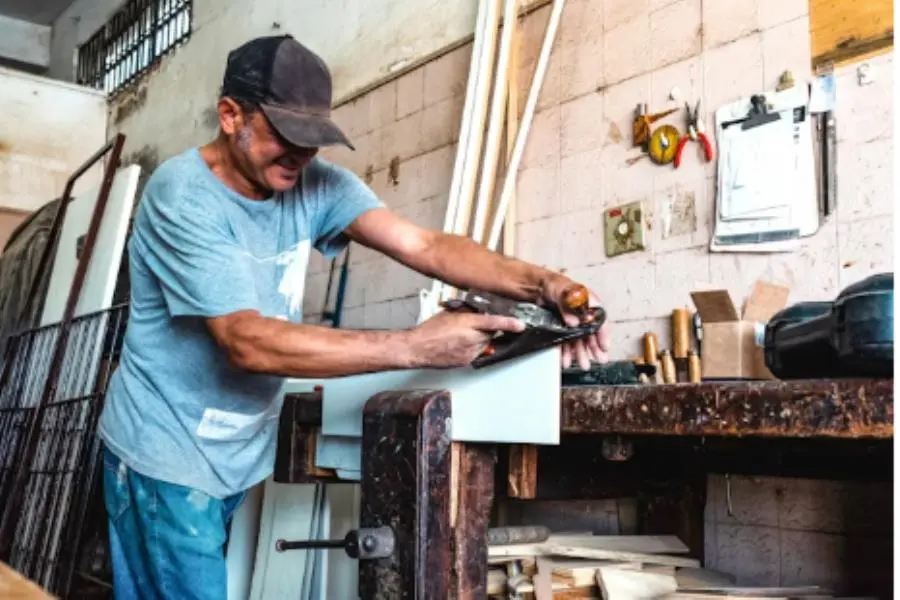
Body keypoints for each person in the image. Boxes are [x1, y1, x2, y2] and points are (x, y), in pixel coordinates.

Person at [97, 34, 610, 599]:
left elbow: (427, 246)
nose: (301, 156)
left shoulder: (314, 184)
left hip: (234, 454)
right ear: (230, 116)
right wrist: (417, 346)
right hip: (164, 453)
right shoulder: (183, 196)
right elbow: (244, 341)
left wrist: (545, 283)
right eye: (285, 137)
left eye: (312, 142)